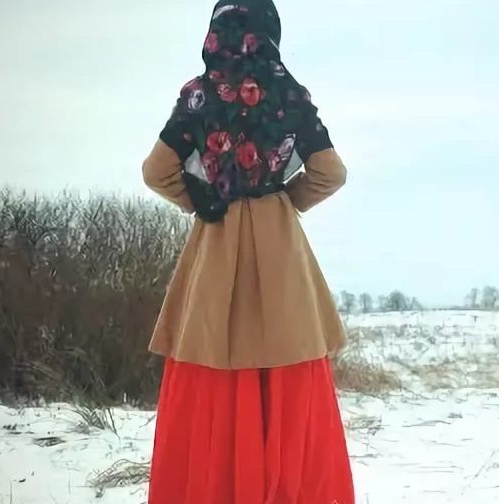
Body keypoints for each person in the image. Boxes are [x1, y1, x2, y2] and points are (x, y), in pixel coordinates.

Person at [140, 1, 354, 502]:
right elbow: (331, 173)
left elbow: (155, 172)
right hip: (281, 255)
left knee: (213, 364)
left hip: (215, 247)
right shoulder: (289, 94)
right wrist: (285, 203)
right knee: (288, 366)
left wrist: (201, 199)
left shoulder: (198, 96)